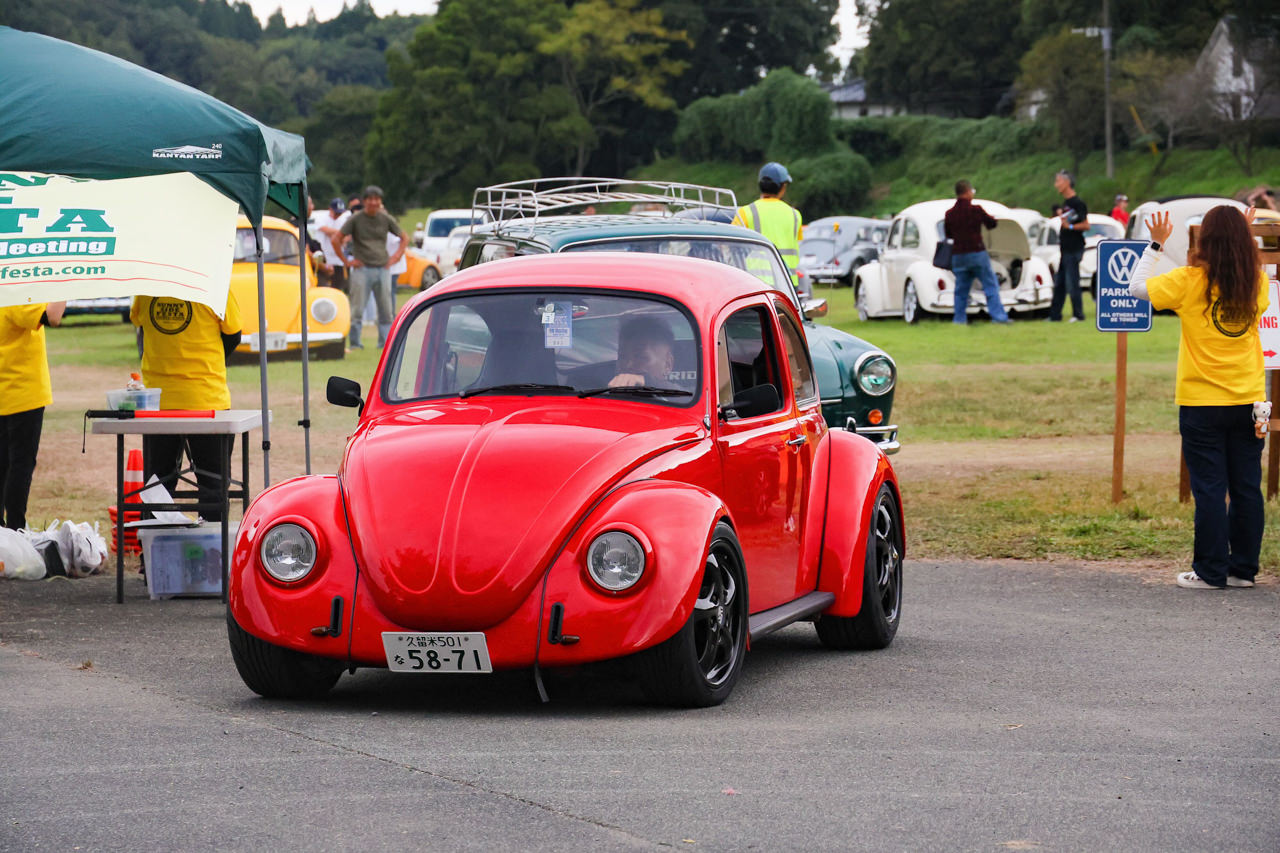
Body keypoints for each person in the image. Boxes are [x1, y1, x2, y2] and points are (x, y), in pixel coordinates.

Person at [1128, 205, 1269, 589]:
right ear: (1243, 241)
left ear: (1204, 240)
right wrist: (1244, 231)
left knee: (1210, 489)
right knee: (1246, 488)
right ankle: (1242, 571)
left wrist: (1156, 244)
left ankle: (1210, 571)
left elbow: (1136, 288)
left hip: (1202, 402)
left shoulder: (1189, 281)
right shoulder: (1256, 283)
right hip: (1250, 401)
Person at [131, 294, 242, 522]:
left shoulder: (147, 287)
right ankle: (214, 540)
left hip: (160, 401)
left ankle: (155, 541)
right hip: (206, 398)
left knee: (157, 482)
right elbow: (233, 335)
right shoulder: (215, 284)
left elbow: (139, 324)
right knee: (213, 481)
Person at [0, 300, 65, 530]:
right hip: (22, 392)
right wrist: (65, 283)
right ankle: (15, 529)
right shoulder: (15, 293)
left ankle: (5, 533)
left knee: (4, 464)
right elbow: (53, 316)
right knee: (20, 464)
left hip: (8, 390)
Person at [333, 186, 407, 350]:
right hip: (362, 268)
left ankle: (385, 344)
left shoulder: (385, 218)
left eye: (377, 199)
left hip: (383, 268)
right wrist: (346, 261)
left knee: (386, 310)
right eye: (370, 199)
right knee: (357, 310)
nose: (374, 202)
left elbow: (404, 237)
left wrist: (395, 257)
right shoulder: (356, 219)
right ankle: (355, 343)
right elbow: (336, 239)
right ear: (364, 201)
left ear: (380, 201)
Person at [943, 180, 1011, 325]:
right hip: (976, 252)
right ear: (968, 192)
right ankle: (999, 317)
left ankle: (959, 319)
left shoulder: (949, 214)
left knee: (961, 290)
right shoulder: (976, 210)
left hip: (958, 255)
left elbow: (948, 234)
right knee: (990, 285)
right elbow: (991, 224)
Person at [732, 162, 803, 291]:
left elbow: (731, 248)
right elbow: (798, 243)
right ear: (783, 187)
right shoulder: (795, 215)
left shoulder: (745, 212)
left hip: (755, 282)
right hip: (788, 283)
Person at [1048, 169, 1088, 322]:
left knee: (1072, 282)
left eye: (1058, 181)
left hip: (1074, 248)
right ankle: (1055, 315)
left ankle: (1078, 314)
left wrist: (1070, 227)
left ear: (1066, 182)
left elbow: (1086, 225)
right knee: (1060, 283)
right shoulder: (1066, 203)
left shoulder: (1078, 203)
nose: (1056, 185)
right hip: (1065, 249)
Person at [609, 317, 675, 388]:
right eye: (622, 357)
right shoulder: (604, 390)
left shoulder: (676, 393)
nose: (628, 365)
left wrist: (647, 382)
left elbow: (677, 392)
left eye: (640, 357)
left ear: (667, 364)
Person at [311, 197, 350, 292]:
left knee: (337, 287)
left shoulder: (343, 219)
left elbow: (347, 237)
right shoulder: (321, 217)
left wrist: (342, 236)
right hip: (325, 259)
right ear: (330, 209)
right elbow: (326, 230)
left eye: (340, 213)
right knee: (323, 286)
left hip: (338, 259)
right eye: (336, 213)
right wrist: (341, 234)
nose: (338, 215)